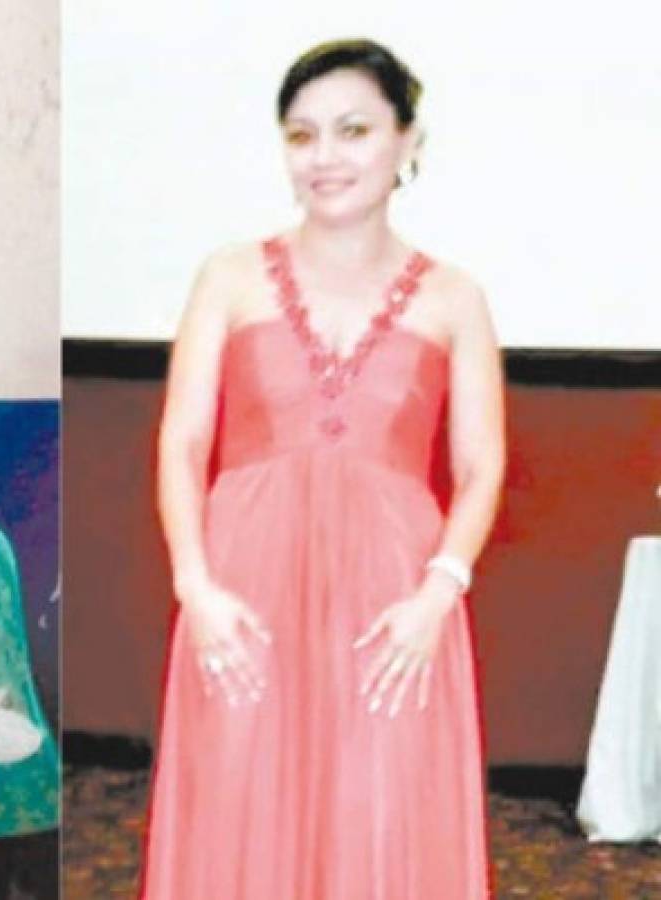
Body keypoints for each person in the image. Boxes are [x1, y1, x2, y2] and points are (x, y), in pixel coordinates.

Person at [140, 39, 505, 899]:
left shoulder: (455, 296)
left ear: (407, 140)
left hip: (395, 612)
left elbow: (480, 466)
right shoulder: (227, 276)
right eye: (301, 136)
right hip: (243, 601)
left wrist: (436, 595)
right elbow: (181, 444)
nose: (324, 157)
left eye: (352, 130)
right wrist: (196, 588)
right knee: (239, 812)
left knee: (382, 817)